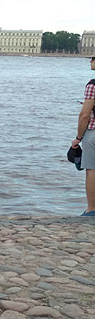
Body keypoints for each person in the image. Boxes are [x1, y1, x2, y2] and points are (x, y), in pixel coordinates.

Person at [71, 55, 95, 215]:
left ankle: (92, 210)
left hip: (93, 133)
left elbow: (84, 115)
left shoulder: (93, 85)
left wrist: (78, 138)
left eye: (93, 59)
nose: (90, 61)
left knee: (91, 169)